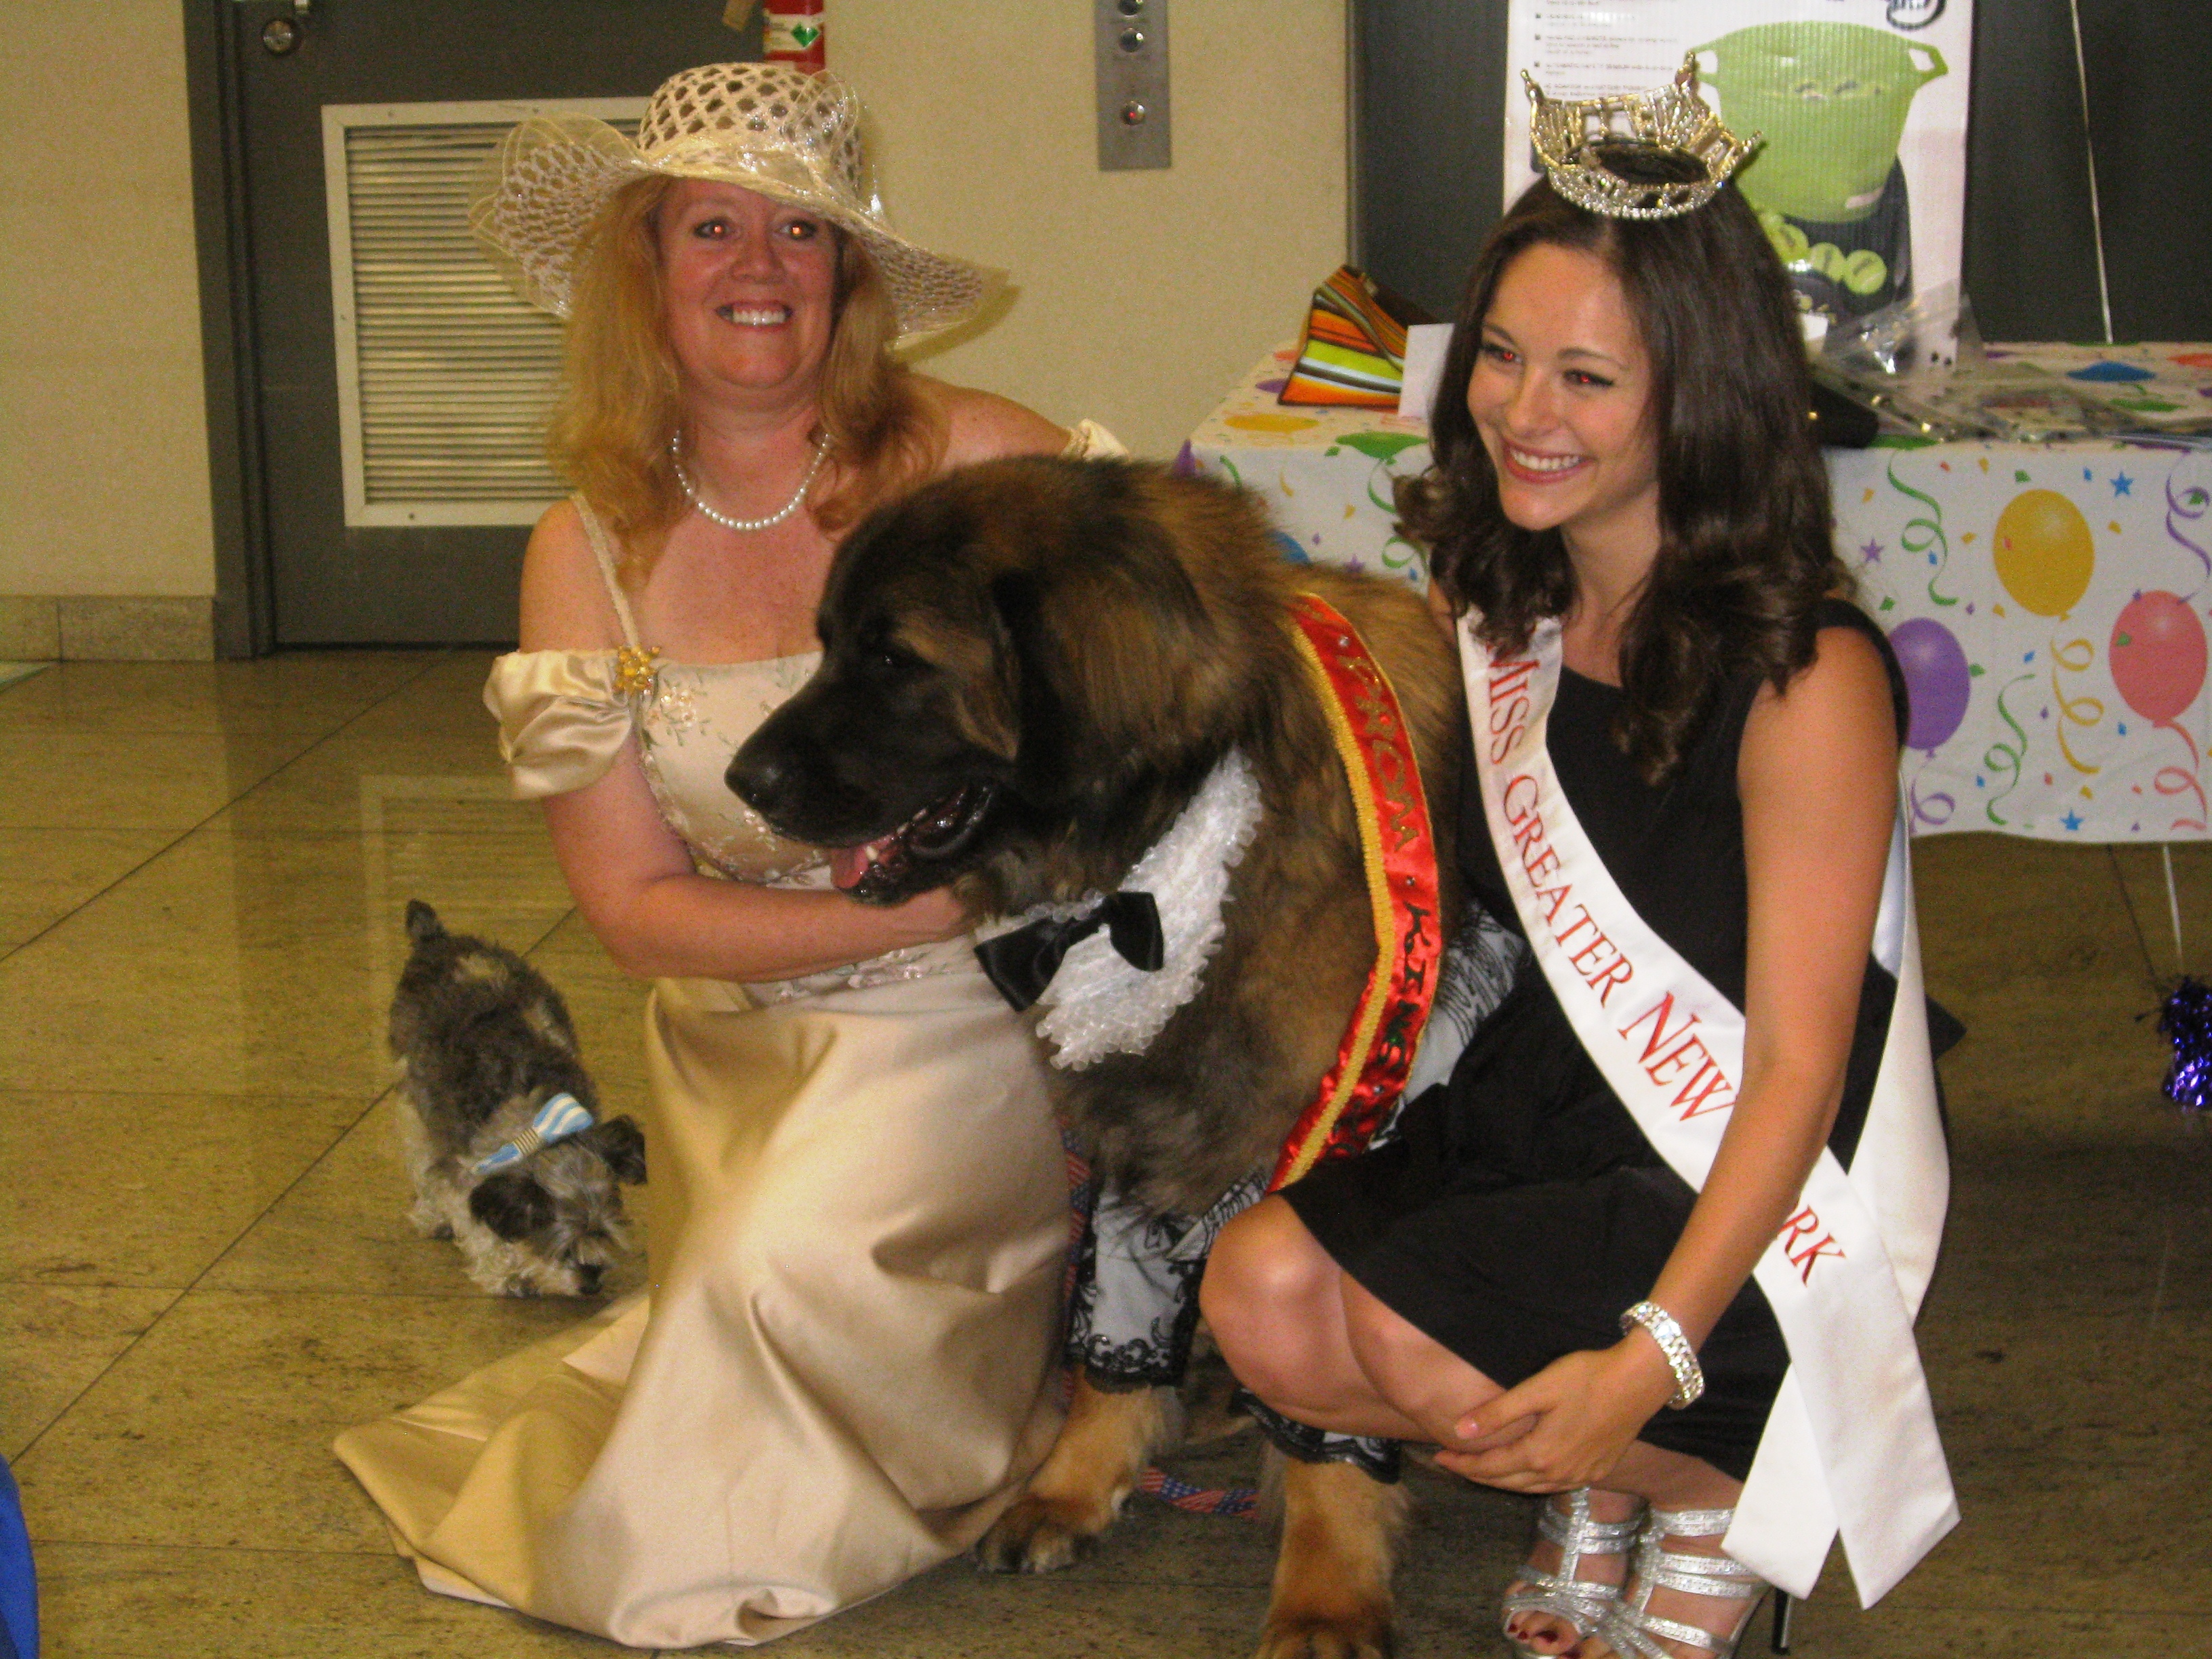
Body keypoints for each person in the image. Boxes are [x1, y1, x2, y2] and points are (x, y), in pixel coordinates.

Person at [336, 63, 1121, 1648]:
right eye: (713, 228)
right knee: (735, 1287)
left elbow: (1162, 689)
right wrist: (904, 900)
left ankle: (998, 1372)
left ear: (850, 278)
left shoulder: (976, 463)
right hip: (729, 1036)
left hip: (980, 1020)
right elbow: (636, 915)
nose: (761, 267)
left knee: (763, 1274)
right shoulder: (582, 550)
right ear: (646, 270)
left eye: (801, 233)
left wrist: (1000, 903)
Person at [1200, 69, 1954, 1659]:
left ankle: (1700, 1481)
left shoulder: (1808, 674)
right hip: (1555, 1094)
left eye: (1590, 377)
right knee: (1256, 1299)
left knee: (1417, 1346)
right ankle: (1608, 1474)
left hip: (1736, 1149)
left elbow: (1798, 1073)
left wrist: (1647, 1359)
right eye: (1501, 354)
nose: (1523, 413)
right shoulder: (1500, 598)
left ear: (1702, 393)